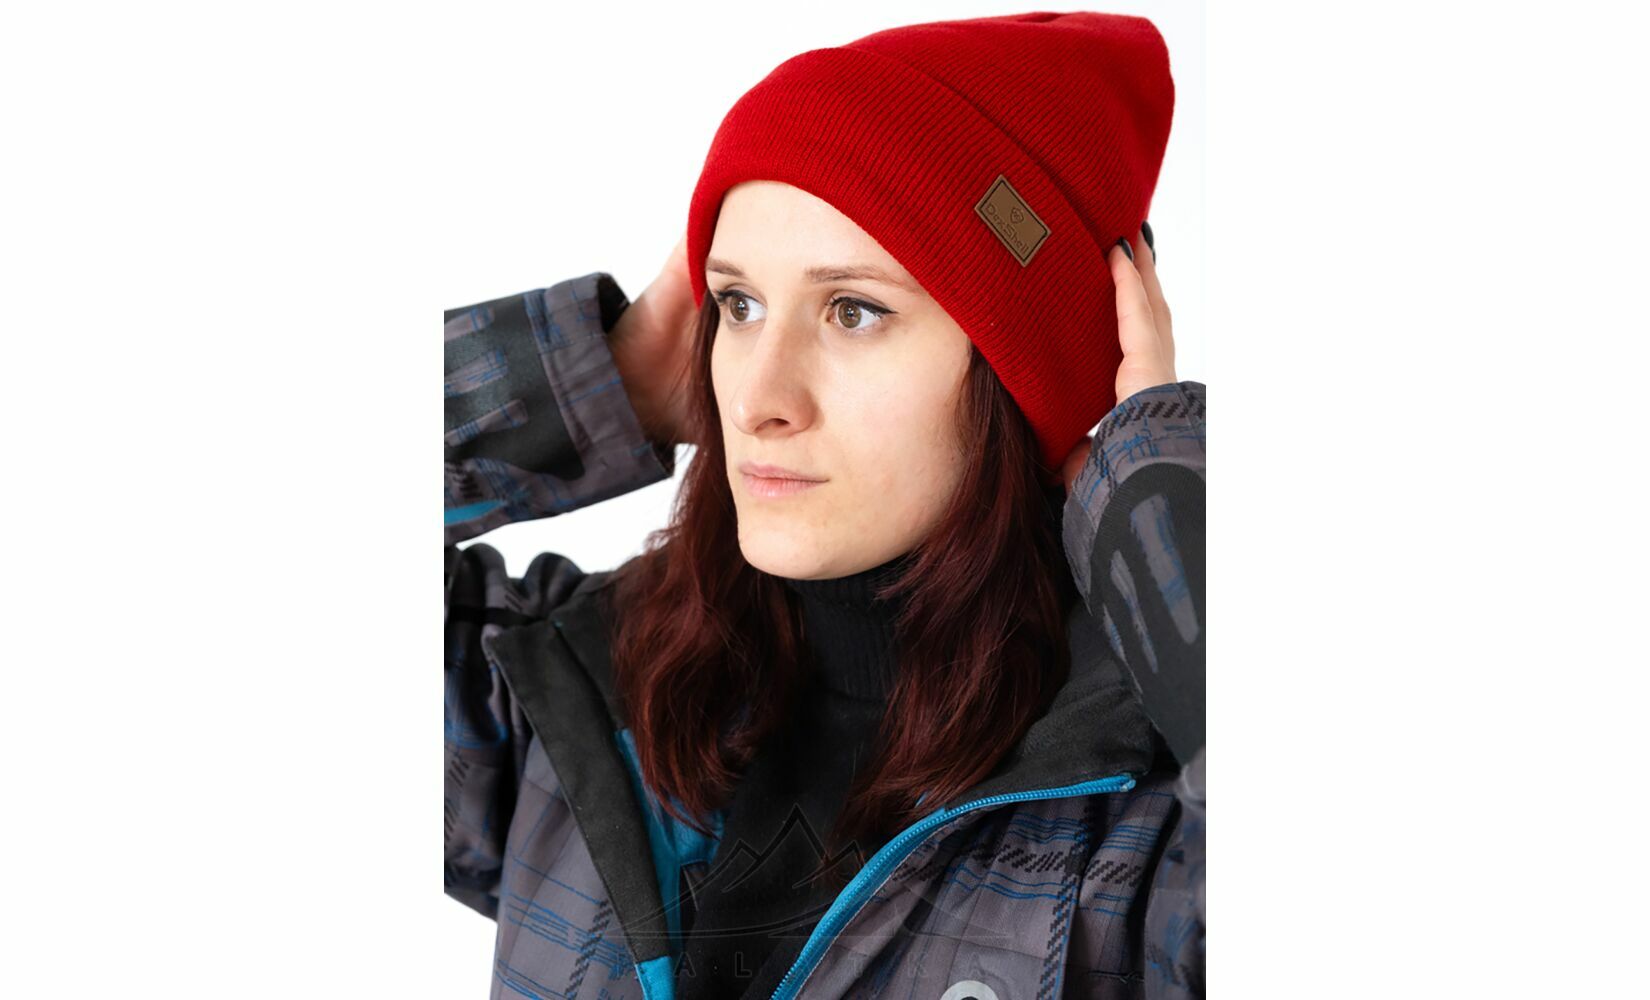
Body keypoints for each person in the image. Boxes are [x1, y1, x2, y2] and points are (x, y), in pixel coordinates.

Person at [444, 11, 1202, 1000]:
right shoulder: (580, 691)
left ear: (1022, 375)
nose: (757, 398)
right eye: (739, 305)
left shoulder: (1150, 812)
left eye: (854, 310)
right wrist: (591, 388)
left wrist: (1158, 513)